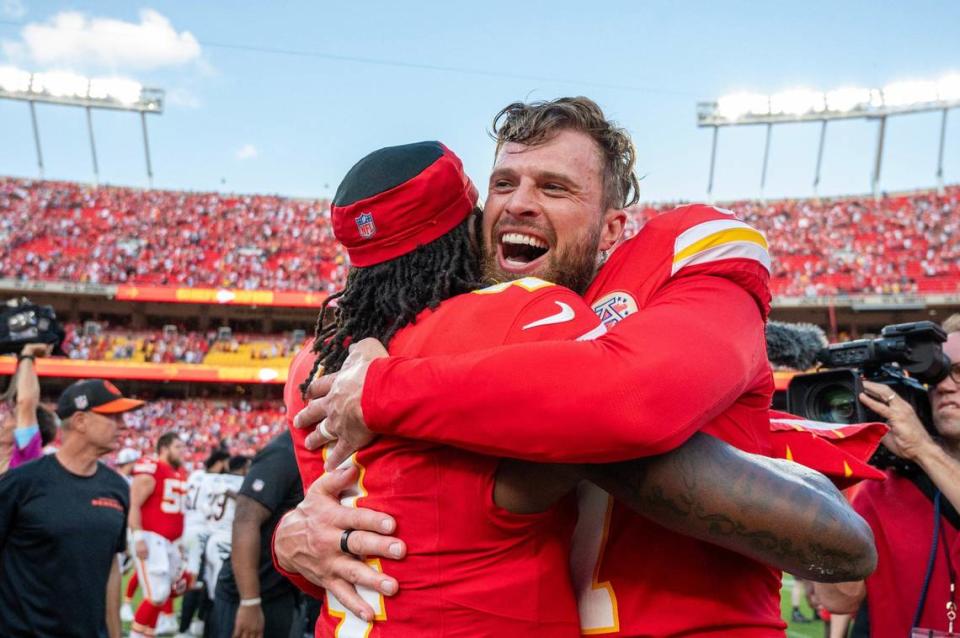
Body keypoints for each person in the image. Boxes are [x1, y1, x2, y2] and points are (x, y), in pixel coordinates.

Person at [282, 98, 877, 637]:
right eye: (504, 183)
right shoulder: (465, 326)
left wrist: (384, 388)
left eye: (555, 188)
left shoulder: (672, 270)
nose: (519, 203)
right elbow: (375, 529)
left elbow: (630, 401)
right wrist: (294, 537)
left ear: (612, 228)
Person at [814, 313, 960, 637]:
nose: (946, 386)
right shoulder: (883, 489)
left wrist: (922, 447)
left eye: (959, 373)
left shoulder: (921, 451)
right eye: (937, 375)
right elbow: (840, 598)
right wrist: (824, 484)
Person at [0, 378, 144, 638]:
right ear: (80, 421)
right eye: (113, 416)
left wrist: (114, 634)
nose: (124, 426)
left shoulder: (117, 488)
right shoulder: (21, 483)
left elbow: (111, 566)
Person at [207, 432, 305, 638]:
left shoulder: (314, 449)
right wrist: (249, 600)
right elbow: (245, 519)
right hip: (254, 592)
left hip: (284, 589)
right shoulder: (285, 451)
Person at [129, 431, 189, 638]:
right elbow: (134, 504)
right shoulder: (152, 468)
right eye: (178, 447)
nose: (183, 451)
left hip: (171, 542)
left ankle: (147, 634)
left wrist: (180, 541)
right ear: (164, 448)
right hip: (151, 538)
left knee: (164, 594)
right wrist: (138, 537)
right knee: (156, 595)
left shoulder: (180, 471)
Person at [177, 449, 231, 637]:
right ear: (220, 462)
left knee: (195, 580)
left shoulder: (195, 475)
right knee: (201, 582)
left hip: (187, 528)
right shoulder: (214, 480)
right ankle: (188, 627)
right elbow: (208, 508)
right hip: (202, 532)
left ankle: (190, 624)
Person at [0, 343, 58, 474]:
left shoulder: (26, 459)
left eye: (12, 415)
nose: (3, 419)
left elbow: (26, 402)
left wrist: (27, 355)